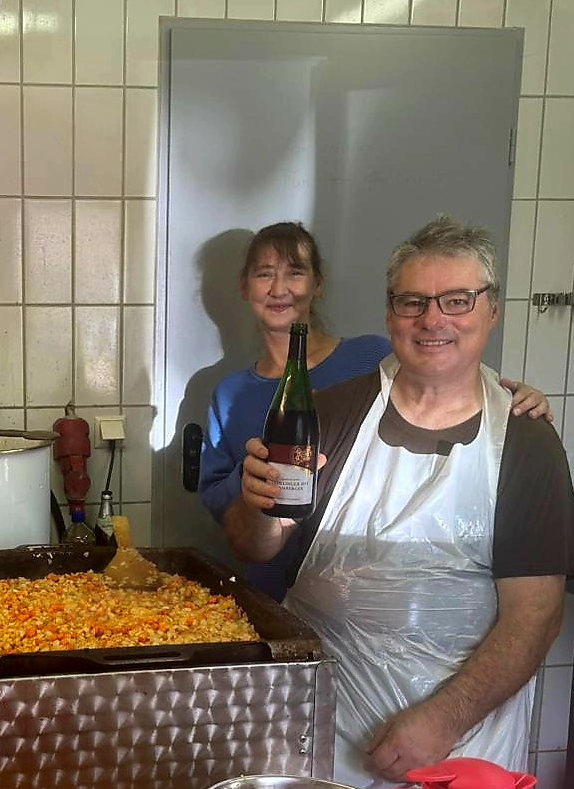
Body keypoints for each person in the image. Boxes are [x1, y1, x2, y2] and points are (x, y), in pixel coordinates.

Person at [225, 216, 574, 789]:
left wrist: (444, 720)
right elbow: (256, 545)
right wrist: (257, 504)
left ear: (492, 311)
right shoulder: (331, 414)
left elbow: (536, 616)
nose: (433, 320)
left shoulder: (525, 443)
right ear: (390, 315)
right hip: (321, 734)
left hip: (462, 749)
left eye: (457, 300)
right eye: (413, 302)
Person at [199, 221, 552, 599]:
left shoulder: (372, 357)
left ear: (318, 284)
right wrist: (258, 481)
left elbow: (445, 373)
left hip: (380, 584)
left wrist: (508, 398)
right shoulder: (229, 395)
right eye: (265, 274)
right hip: (273, 592)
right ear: (245, 286)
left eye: (295, 272)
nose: (279, 288)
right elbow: (229, 515)